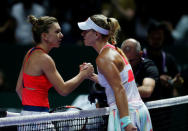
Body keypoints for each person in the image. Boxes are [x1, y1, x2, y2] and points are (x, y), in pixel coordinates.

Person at [78, 14, 152, 131]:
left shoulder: (104, 58)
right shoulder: (115, 50)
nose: (82, 34)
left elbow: (119, 89)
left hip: (125, 114)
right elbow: (116, 81)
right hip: (137, 111)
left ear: (97, 34)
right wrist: (91, 75)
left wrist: (126, 122)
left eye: (86, 31)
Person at [16, 15, 94, 116]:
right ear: (45, 36)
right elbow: (63, 90)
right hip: (39, 119)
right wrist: (83, 74)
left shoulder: (30, 53)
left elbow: (19, 88)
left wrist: (30, 110)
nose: (61, 35)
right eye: (57, 32)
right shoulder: (45, 59)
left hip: (26, 115)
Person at [143, 21, 184, 98]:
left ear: (163, 38)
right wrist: (157, 80)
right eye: (153, 37)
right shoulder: (139, 57)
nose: (156, 41)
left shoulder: (169, 59)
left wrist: (177, 82)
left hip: (165, 104)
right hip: (145, 104)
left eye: (159, 38)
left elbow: (178, 81)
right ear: (148, 37)